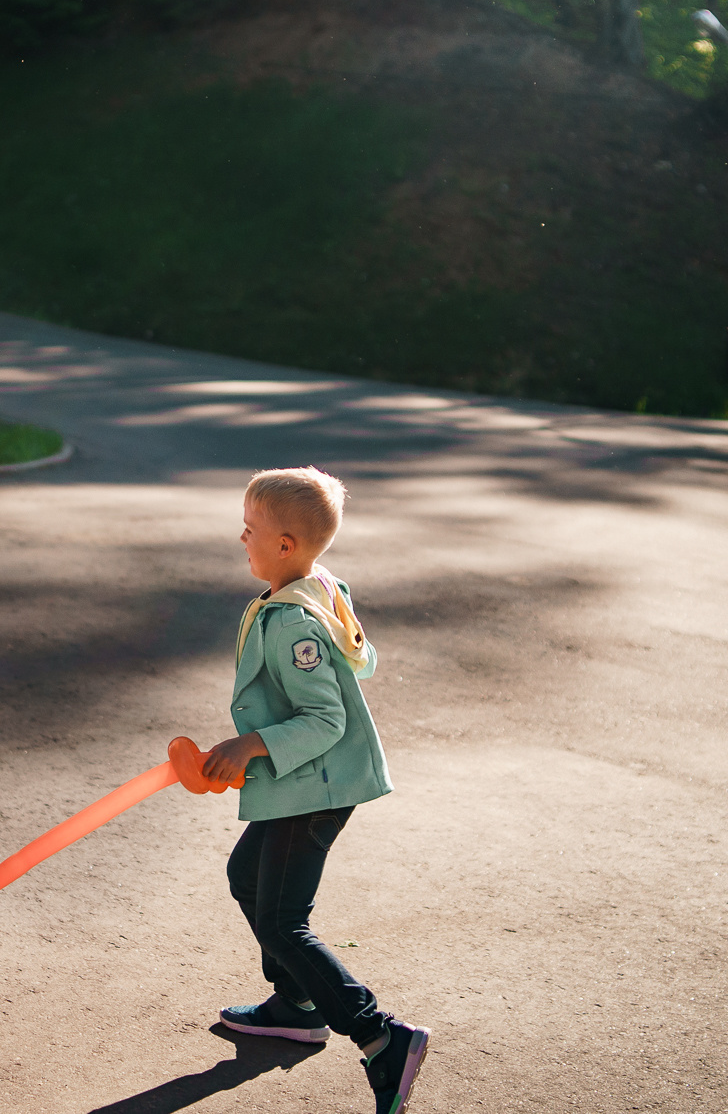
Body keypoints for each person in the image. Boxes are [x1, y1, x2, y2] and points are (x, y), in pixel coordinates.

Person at [201, 467, 428, 1114]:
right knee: (247, 877)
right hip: (300, 782)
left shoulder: (294, 621)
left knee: (281, 919)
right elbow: (364, 659)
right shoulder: (312, 588)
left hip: (317, 787)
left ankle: (381, 1036)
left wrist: (250, 744)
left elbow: (326, 719)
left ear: (285, 545)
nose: (241, 537)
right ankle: (297, 1003)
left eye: (250, 529)